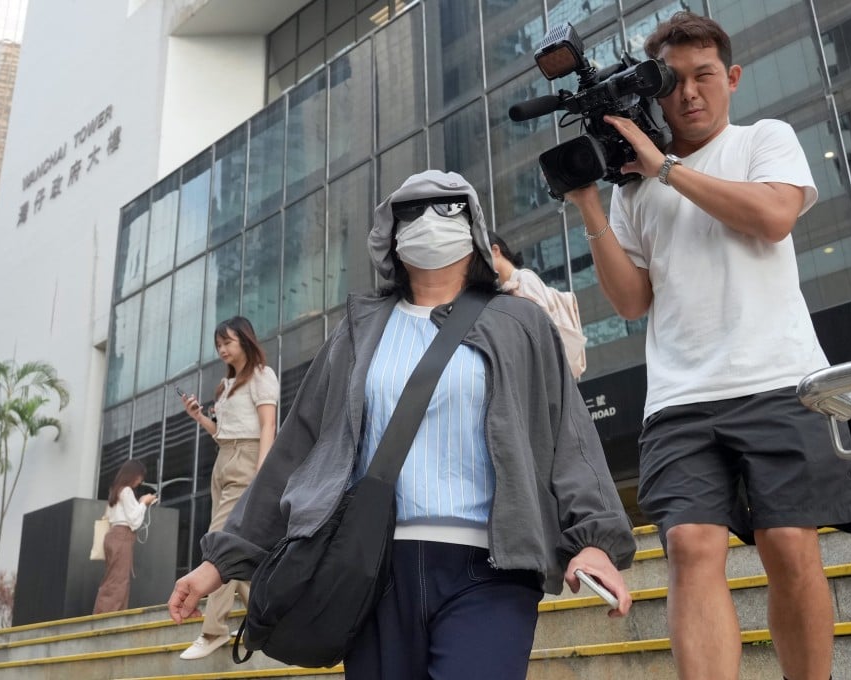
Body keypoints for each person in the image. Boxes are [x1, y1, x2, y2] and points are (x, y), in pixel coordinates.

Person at [168, 169, 636, 679]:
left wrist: (595, 539)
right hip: (369, 569)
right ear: (389, 234)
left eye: (449, 208)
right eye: (412, 211)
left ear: (475, 227)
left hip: (493, 571)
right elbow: (297, 451)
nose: (431, 221)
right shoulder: (358, 331)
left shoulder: (519, 323)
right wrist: (220, 561)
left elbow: (569, 438)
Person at [563, 12, 851, 680]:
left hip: (782, 380)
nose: (689, 93)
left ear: (730, 77)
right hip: (679, 396)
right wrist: (590, 204)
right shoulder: (635, 189)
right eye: (672, 83)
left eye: (704, 76)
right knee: (689, 546)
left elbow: (773, 218)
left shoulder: (765, 139)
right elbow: (630, 302)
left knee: (789, 546)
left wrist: (666, 168)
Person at [177, 316, 279, 660]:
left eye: (228, 342)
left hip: (248, 458)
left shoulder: (262, 375)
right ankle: (267, 619)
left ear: (245, 341)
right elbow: (222, 433)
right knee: (237, 547)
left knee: (220, 542)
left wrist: (263, 472)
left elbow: (268, 426)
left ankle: (213, 630)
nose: (222, 349)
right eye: (218, 344)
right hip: (224, 459)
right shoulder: (226, 386)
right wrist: (199, 417)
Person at [488, 232, 588, 379]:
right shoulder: (504, 290)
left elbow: (541, 327)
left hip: (546, 368)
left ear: (495, 251)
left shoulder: (524, 279)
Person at [93, 459, 157, 614]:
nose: (140, 481)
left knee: (113, 578)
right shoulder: (126, 491)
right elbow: (134, 521)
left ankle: (109, 615)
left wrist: (141, 503)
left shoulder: (116, 491)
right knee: (118, 580)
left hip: (113, 536)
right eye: (140, 476)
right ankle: (108, 617)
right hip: (122, 536)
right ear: (133, 475)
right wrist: (144, 503)